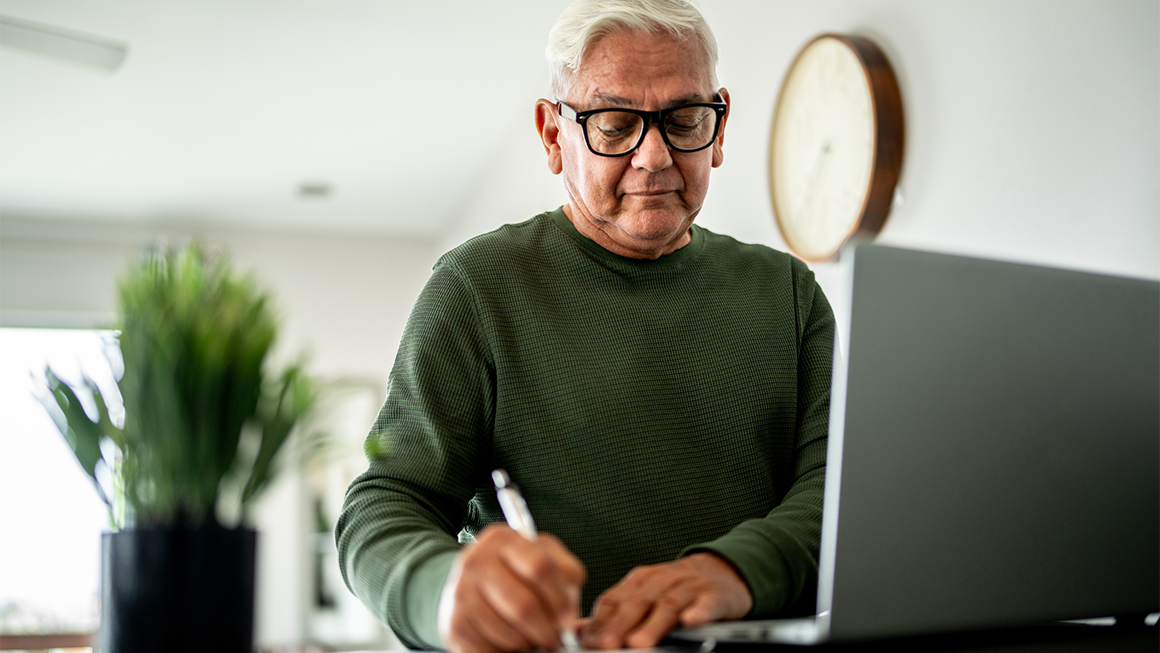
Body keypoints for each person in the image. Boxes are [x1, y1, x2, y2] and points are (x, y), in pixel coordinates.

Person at [335, 1, 835, 652]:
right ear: (552, 134)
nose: (654, 156)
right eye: (616, 122)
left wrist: (734, 569)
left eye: (684, 118)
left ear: (719, 127)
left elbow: (837, 495)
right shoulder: (477, 287)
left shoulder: (790, 294)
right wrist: (441, 588)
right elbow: (384, 502)